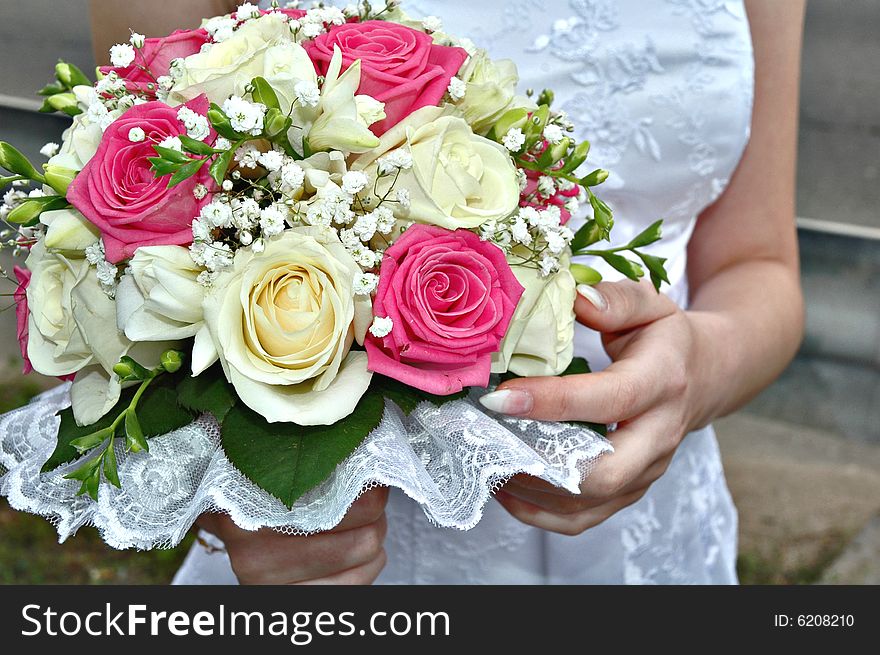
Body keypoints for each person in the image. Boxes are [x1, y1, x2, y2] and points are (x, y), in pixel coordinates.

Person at [89, 0, 806, 584]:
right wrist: (237, 500)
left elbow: (759, 262)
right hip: (346, 551)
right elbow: (137, 260)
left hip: (644, 534)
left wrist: (695, 374)